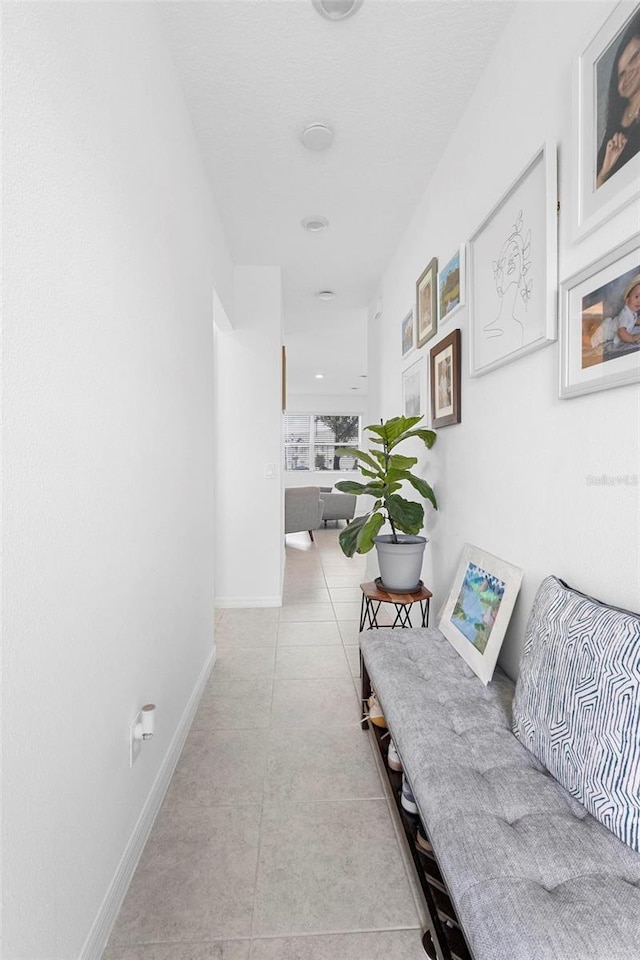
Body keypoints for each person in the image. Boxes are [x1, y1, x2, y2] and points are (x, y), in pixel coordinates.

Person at [596, 13, 640, 189]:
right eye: (621, 73)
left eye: (634, 56)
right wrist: (605, 172)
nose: (629, 72)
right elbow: (595, 195)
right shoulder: (614, 127)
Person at [613, 274, 640, 346]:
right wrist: (631, 338)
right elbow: (621, 331)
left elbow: (635, 319)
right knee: (593, 340)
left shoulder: (632, 312)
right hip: (606, 331)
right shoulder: (624, 314)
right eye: (636, 297)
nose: (639, 301)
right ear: (627, 300)